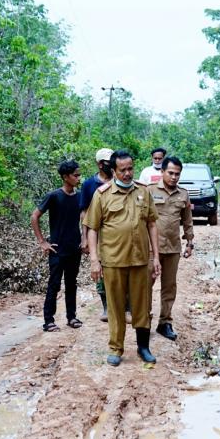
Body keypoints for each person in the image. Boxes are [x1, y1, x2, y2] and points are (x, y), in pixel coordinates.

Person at [84, 150, 161, 366]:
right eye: (122, 170)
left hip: (139, 260)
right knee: (116, 308)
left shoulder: (143, 192)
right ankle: (116, 349)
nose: (127, 173)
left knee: (142, 306)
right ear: (114, 171)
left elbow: (152, 224)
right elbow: (92, 229)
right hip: (113, 261)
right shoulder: (102, 194)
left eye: (130, 169)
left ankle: (143, 347)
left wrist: (156, 257)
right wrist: (94, 260)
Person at [31, 160, 84, 332]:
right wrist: (42, 242)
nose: (78, 178)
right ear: (65, 177)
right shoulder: (54, 196)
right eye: (75, 175)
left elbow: (85, 218)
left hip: (74, 248)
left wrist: (84, 240)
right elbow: (35, 216)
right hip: (57, 249)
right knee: (54, 283)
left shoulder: (80, 196)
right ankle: (48, 320)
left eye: (79, 174)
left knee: (71, 283)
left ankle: (72, 316)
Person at [150, 156, 194, 341]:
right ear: (162, 172)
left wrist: (190, 242)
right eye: (170, 173)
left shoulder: (183, 194)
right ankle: (144, 321)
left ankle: (165, 322)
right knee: (146, 285)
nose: (174, 177)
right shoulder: (149, 191)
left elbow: (187, 221)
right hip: (151, 250)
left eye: (177, 174)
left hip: (173, 248)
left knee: (169, 287)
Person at [81, 147, 114, 322]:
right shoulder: (89, 184)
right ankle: (106, 307)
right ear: (100, 164)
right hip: (97, 233)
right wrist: (84, 237)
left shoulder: (119, 180)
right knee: (99, 270)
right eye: (109, 163)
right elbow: (84, 212)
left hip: (115, 233)